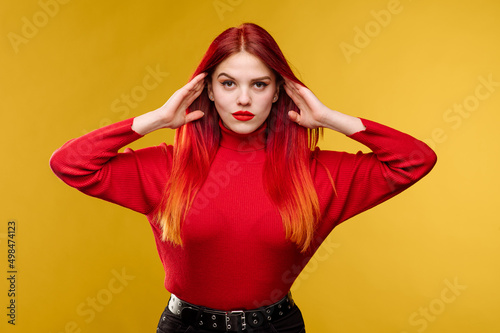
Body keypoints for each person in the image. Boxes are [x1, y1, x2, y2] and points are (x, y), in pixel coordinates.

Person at [50, 23, 437, 333]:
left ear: (278, 92)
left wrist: (329, 118)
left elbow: (415, 160)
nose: (244, 100)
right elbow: (69, 164)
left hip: (276, 326)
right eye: (228, 83)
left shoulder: (316, 174)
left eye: (259, 84)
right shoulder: (168, 168)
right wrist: (157, 120)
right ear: (208, 91)